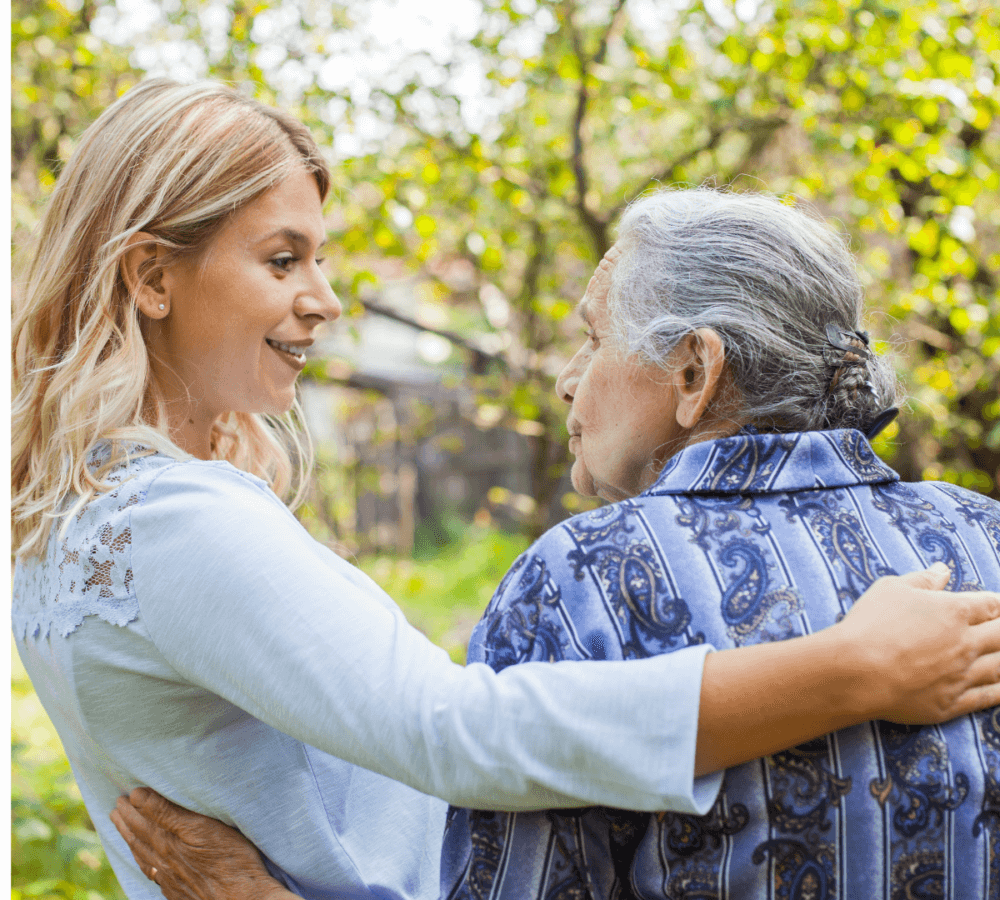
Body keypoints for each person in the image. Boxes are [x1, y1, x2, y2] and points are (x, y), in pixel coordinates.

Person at [11, 77, 999, 900]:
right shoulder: (172, 526)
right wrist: (849, 668)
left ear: (695, 374)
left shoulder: (115, 516)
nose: (327, 297)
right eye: (283, 259)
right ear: (151, 276)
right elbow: (458, 730)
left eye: (316, 255)